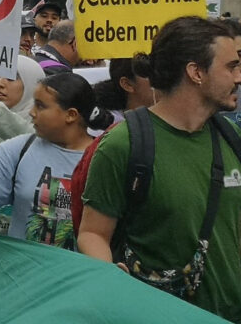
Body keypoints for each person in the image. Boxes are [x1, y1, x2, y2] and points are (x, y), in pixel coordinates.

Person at [79, 17, 241, 319]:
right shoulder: (123, 145)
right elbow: (92, 234)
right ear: (196, 72)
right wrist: (111, 278)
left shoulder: (232, 137)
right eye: (231, 66)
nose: (239, 77)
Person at [0, 72, 108, 248]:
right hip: (21, 264)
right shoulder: (21, 148)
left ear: (71, 115)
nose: (32, 112)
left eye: (41, 106)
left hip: (79, 266)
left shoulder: (105, 159)